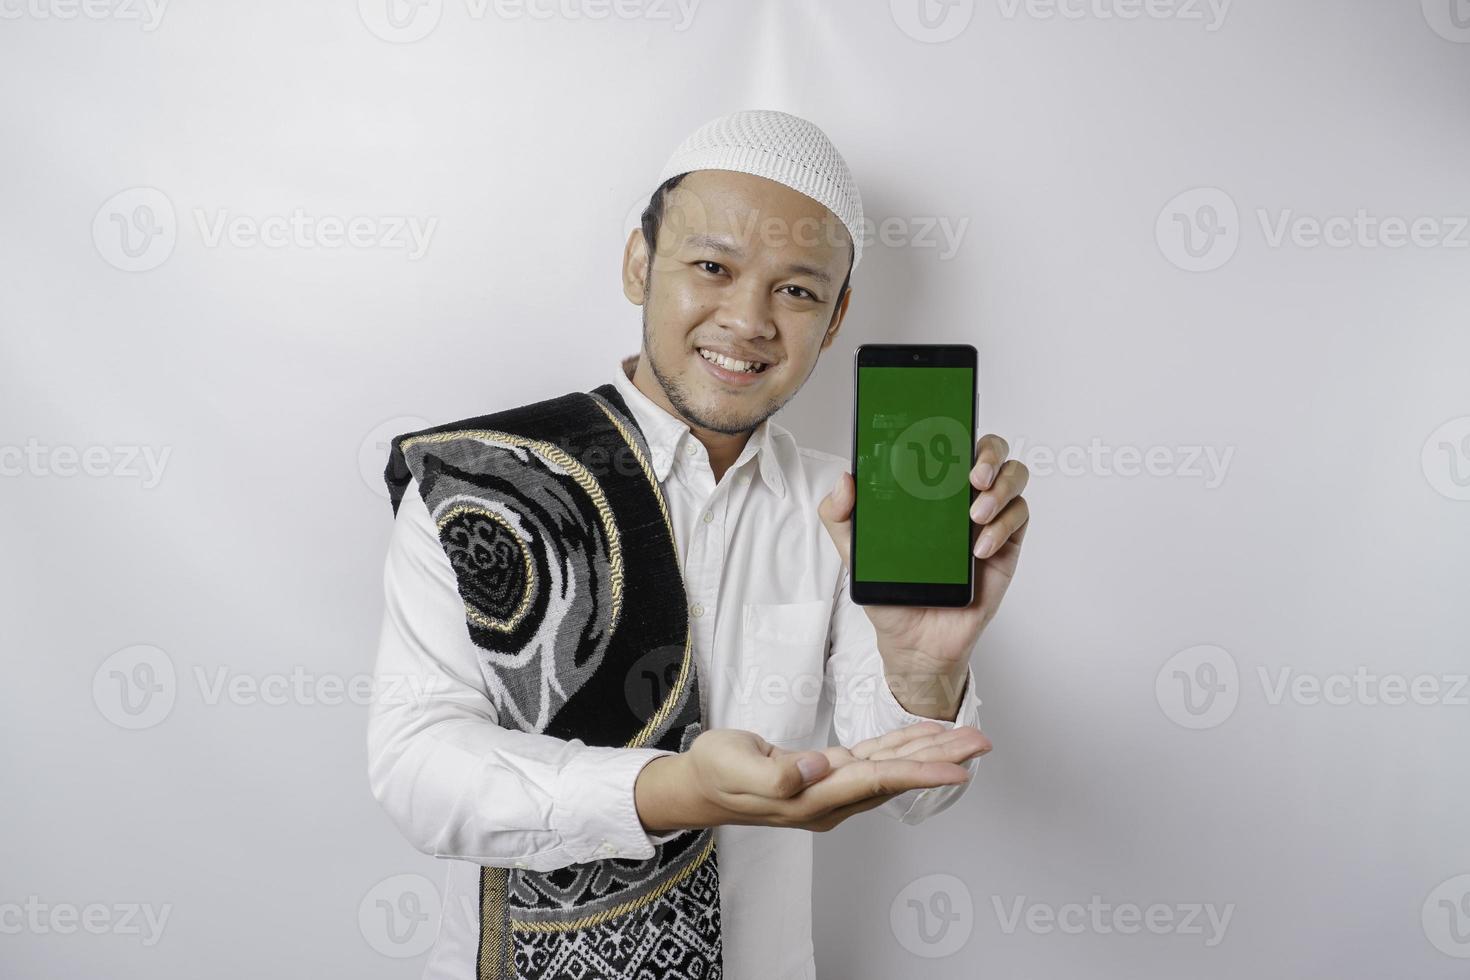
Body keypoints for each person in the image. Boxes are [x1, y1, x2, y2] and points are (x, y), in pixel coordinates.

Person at [368, 108, 1031, 980]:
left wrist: (924, 668)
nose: (750, 319)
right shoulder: (481, 484)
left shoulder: (845, 507)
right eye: (712, 266)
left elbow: (925, 794)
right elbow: (419, 772)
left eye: (797, 290)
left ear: (834, 321)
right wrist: (668, 792)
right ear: (640, 264)